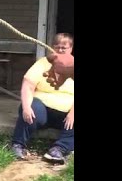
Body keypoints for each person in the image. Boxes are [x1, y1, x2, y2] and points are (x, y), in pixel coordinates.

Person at [10, 32, 75, 162]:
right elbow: (28, 85)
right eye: (57, 47)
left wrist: (73, 113)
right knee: (30, 107)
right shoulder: (42, 63)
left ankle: (59, 149)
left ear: (71, 48)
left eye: (64, 47)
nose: (60, 50)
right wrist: (27, 107)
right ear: (52, 47)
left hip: (66, 114)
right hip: (42, 108)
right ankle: (18, 145)